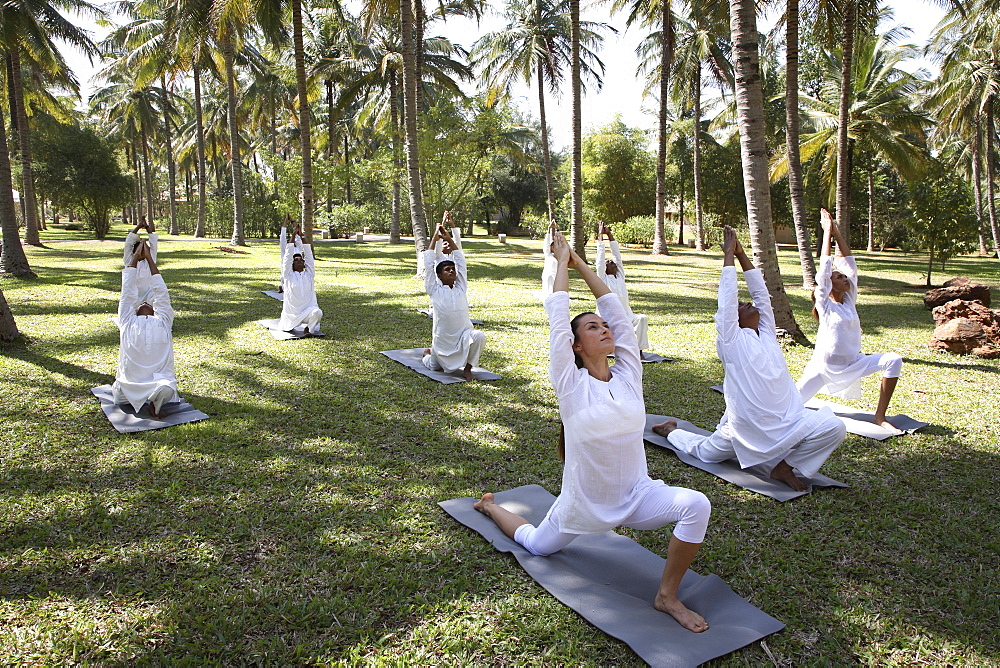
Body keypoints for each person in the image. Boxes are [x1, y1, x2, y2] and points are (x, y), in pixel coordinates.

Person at [474, 231, 712, 633]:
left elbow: (616, 310)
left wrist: (581, 262)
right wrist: (561, 261)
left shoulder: (629, 374)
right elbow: (557, 313)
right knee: (536, 545)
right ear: (576, 345)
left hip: (636, 495)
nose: (604, 329)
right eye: (591, 328)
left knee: (697, 505)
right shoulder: (570, 384)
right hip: (583, 505)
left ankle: (666, 597)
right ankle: (491, 506)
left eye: (604, 326)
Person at [653, 226, 846, 492]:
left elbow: (761, 296)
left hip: (788, 420)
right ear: (733, 319)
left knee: (834, 427)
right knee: (705, 452)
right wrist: (728, 258)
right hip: (747, 427)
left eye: (746, 303)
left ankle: (784, 468)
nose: (746, 304)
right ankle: (670, 431)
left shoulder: (766, 333)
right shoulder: (731, 340)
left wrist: (742, 255)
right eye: (740, 306)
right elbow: (726, 300)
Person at [797, 209, 903, 432]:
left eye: (844, 277)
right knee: (791, 406)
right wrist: (826, 233)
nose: (845, 279)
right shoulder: (824, 304)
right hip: (824, 368)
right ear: (829, 283)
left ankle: (880, 416)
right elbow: (824, 269)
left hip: (854, 363)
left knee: (893, 360)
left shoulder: (849, 302)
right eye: (839, 277)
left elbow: (850, 263)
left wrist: (836, 233)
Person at [112, 239, 178, 418]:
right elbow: (129, 291)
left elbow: (158, 292)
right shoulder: (128, 321)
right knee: (121, 396)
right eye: (140, 303)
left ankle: (153, 402)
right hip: (127, 387)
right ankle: (151, 400)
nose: (143, 302)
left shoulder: (162, 320)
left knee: (167, 389)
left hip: (155, 384)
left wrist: (145, 258)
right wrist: (140, 257)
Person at [421, 223, 486, 381]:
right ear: (440, 276)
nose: (451, 271)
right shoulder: (434, 290)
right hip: (442, 343)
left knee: (479, 336)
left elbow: (461, 263)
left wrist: (450, 239)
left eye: (452, 269)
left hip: (463, 336)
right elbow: (429, 264)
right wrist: (435, 236)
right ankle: (427, 354)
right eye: (447, 270)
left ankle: (468, 369)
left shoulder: (460, 287)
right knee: (433, 366)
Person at [595, 221, 650, 356]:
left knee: (642, 318)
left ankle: (639, 351)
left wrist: (609, 234)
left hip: (626, 315)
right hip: (607, 317)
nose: (610, 261)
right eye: (607, 262)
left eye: (611, 261)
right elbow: (600, 256)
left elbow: (617, 255)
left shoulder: (620, 276)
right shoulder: (602, 279)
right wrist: (600, 235)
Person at [278, 221, 323, 335]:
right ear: (292, 264)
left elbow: (308, 255)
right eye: (296, 260)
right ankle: (290, 324)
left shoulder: (309, 274)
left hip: (307, 312)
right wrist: (293, 236)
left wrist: (301, 236)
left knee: (318, 313)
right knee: (286, 329)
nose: (299, 261)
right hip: (291, 315)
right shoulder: (288, 275)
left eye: (301, 260)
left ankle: (309, 329)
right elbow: (287, 256)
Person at [121, 217, 158, 302]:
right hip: (132, 296)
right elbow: (128, 243)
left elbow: (154, 243)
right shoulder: (129, 261)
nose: (146, 250)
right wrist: (138, 227)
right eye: (142, 249)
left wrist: (147, 227)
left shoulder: (150, 261)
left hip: (149, 296)